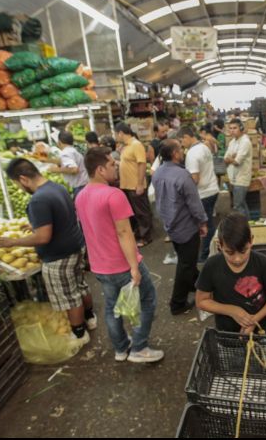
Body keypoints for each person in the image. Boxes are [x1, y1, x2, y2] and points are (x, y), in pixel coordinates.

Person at [0, 159, 96, 346]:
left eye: (17, 184)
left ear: (23, 179)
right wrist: (35, 224)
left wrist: (12, 242)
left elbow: (42, 237)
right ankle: (90, 318)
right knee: (80, 287)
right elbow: (60, 217)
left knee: (69, 297)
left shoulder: (38, 199)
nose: (19, 188)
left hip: (59, 256)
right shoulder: (56, 187)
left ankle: (79, 334)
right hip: (75, 247)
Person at [75, 147, 163, 363]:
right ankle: (139, 348)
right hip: (121, 264)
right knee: (148, 300)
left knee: (112, 308)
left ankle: (121, 348)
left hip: (99, 265)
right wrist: (134, 266)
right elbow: (124, 232)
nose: (116, 166)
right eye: (112, 164)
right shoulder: (114, 195)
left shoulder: (80, 196)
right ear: (100, 169)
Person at [196, 213, 266, 334]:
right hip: (225, 334)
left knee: (260, 353)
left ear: (251, 241)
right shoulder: (212, 266)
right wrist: (232, 310)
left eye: (243, 251)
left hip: (260, 331)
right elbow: (201, 301)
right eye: (229, 252)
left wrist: (254, 320)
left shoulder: (262, 263)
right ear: (219, 245)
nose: (237, 259)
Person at [152, 140, 209, 315]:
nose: (183, 152)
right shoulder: (183, 175)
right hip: (186, 226)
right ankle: (177, 303)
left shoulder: (158, 173)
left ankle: (196, 284)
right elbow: (194, 204)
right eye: (181, 149)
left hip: (170, 223)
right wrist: (203, 222)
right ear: (175, 154)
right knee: (186, 263)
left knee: (186, 259)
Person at [178, 126, 220, 263]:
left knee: (205, 226)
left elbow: (194, 178)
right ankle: (211, 252)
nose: (181, 144)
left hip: (203, 194)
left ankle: (206, 256)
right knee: (209, 223)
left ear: (187, 137)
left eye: (181, 140)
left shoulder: (192, 153)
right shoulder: (204, 147)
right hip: (212, 189)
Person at [115, 123, 153, 247]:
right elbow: (127, 163)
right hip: (127, 185)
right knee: (134, 212)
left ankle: (146, 237)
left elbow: (142, 164)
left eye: (116, 134)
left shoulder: (136, 145)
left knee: (142, 211)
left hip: (135, 184)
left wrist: (140, 184)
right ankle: (139, 234)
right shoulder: (126, 146)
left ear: (121, 133)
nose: (116, 137)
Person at [47, 131, 89, 199]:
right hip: (84, 185)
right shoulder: (72, 151)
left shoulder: (65, 153)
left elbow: (74, 169)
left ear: (59, 142)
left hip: (79, 188)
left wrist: (55, 170)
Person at [224, 118, 253, 218]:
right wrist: (232, 157)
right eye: (230, 128)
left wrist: (232, 158)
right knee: (242, 205)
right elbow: (225, 159)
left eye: (235, 128)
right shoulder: (233, 142)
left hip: (241, 179)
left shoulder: (245, 142)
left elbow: (237, 162)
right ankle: (250, 225)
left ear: (241, 128)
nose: (232, 130)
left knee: (238, 206)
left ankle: (245, 228)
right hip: (234, 179)